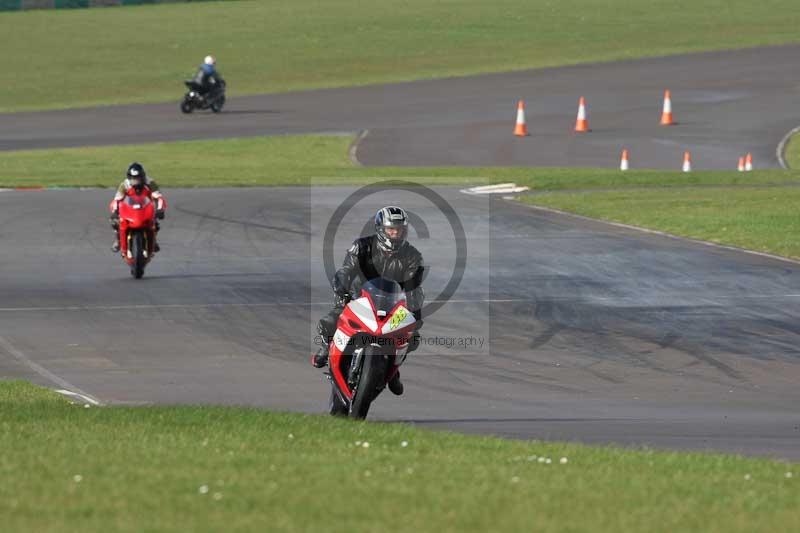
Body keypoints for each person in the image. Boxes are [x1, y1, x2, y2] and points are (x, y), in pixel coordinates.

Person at [312, 206, 425, 396]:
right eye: (391, 229)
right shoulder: (362, 246)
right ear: (380, 229)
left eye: (399, 229)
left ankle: (394, 371)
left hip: (392, 303)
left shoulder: (413, 256)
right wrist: (341, 286)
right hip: (358, 297)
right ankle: (327, 347)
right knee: (331, 321)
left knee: (412, 337)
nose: (395, 233)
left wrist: (415, 312)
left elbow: (413, 287)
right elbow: (345, 270)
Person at [109, 162, 166, 253]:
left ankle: (153, 240)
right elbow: (117, 199)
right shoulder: (124, 185)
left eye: (138, 179)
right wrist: (115, 211)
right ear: (129, 178)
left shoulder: (150, 183)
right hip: (129, 208)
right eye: (133, 179)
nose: (135, 181)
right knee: (115, 222)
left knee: (155, 222)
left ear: (143, 177)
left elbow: (159, 197)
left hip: (146, 206)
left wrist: (160, 209)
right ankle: (118, 240)